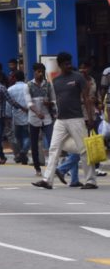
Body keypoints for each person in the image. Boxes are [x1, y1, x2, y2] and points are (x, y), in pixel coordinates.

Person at [34, 51, 96, 190]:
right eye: (66, 64)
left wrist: (90, 118)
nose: (69, 66)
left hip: (77, 119)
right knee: (53, 148)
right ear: (60, 65)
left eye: (69, 63)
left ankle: (91, 181)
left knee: (84, 150)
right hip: (61, 120)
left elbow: (86, 98)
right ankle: (47, 180)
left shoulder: (78, 77)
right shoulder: (56, 80)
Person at [6, 70, 32, 164]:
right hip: (29, 115)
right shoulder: (28, 86)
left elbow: (8, 104)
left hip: (16, 117)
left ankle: (21, 152)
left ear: (15, 78)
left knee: (18, 137)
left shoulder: (10, 89)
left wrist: (8, 116)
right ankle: (23, 151)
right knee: (28, 136)